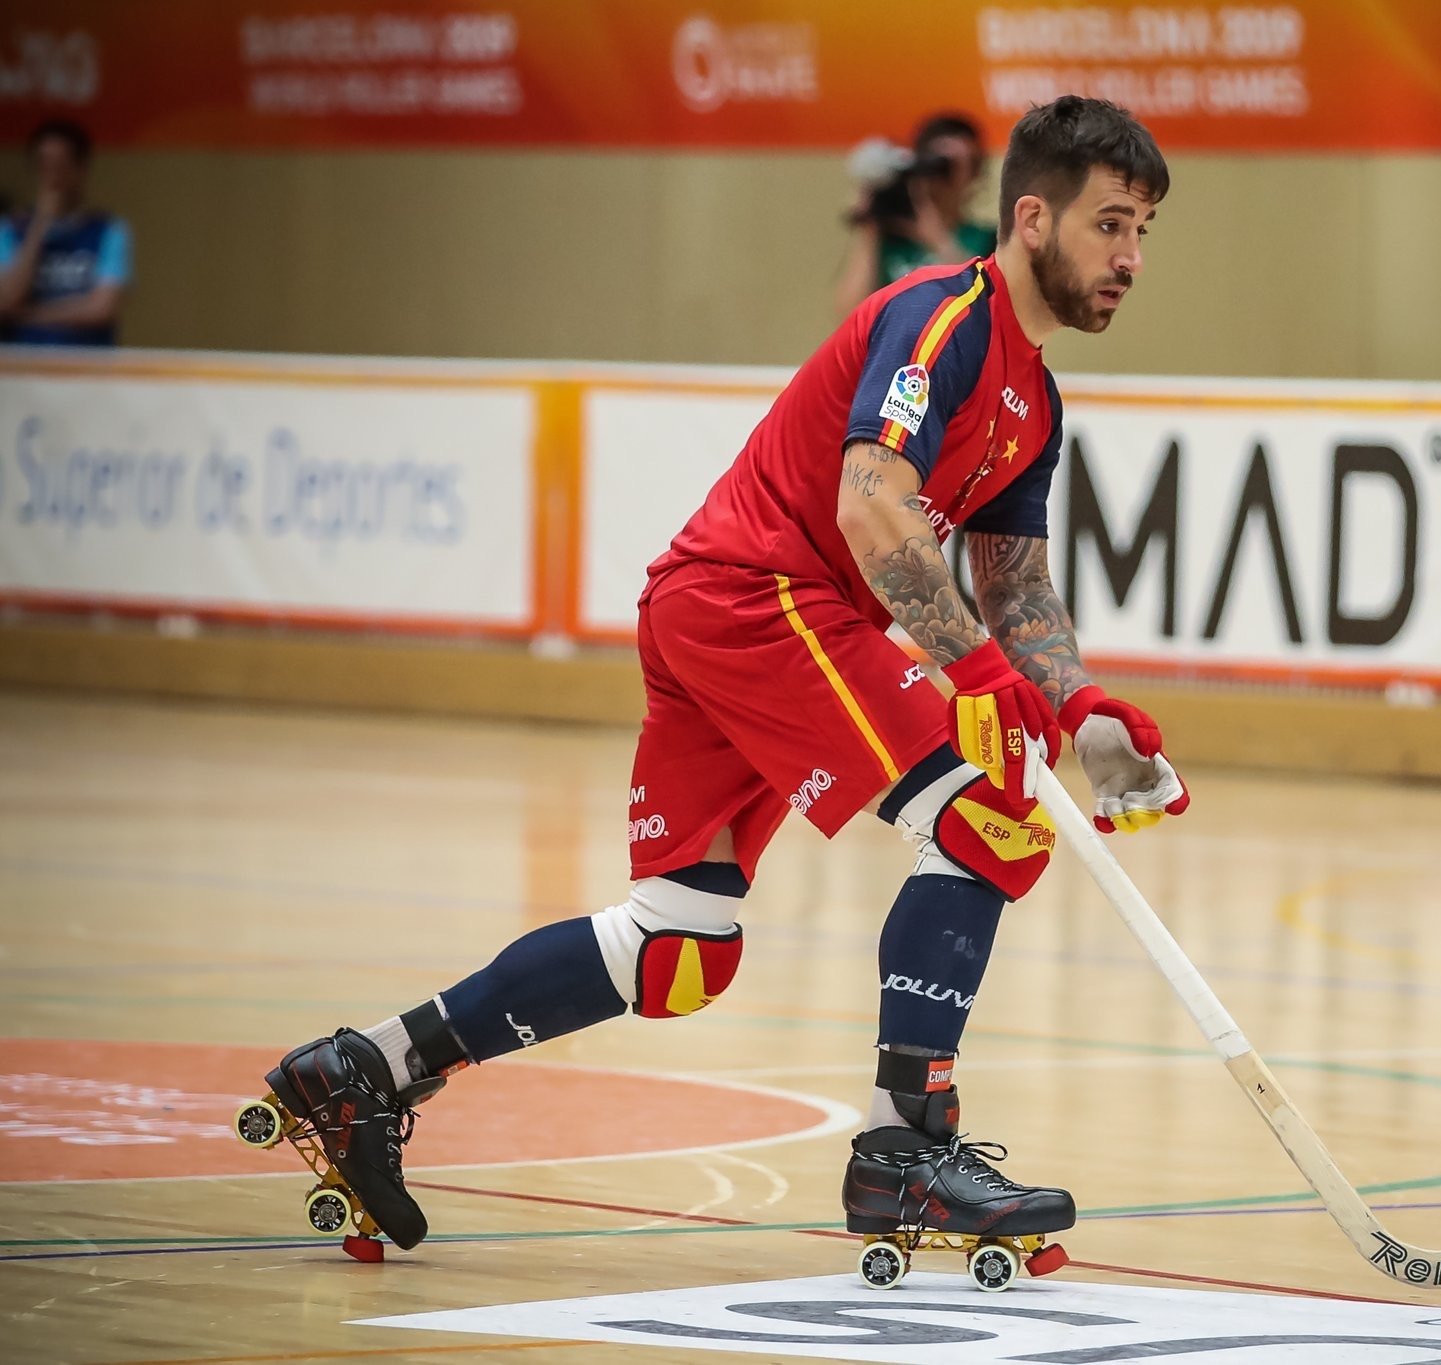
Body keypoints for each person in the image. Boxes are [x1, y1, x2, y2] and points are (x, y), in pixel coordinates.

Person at [252, 96, 1187, 1260]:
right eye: (1111, 225)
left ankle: (369, 1070)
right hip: (760, 601)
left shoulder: (1033, 403)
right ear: (1033, 216)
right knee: (988, 816)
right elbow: (869, 503)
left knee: (676, 947)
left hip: (726, 610)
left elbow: (1015, 588)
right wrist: (980, 678)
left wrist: (1080, 708)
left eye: (1144, 230)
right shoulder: (942, 318)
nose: (1131, 258)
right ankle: (905, 1151)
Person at [833, 112, 998, 316]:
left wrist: (937, 240)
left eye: (960, 165)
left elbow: (987, 308)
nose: (945, 176)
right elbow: (850, 314)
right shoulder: (890, 240)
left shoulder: (987, 240)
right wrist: (870, 226)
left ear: (976, 172)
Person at [0, 119, 130, 346]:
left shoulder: (108, 231)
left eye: (61, 165)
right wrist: (39, 225)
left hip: (85, 364)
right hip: (20, 363)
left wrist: (29, 314)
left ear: (81, 168)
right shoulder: (11, 229)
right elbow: (7, 300)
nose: (52, 177)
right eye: (44, 165)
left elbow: (102, 309)